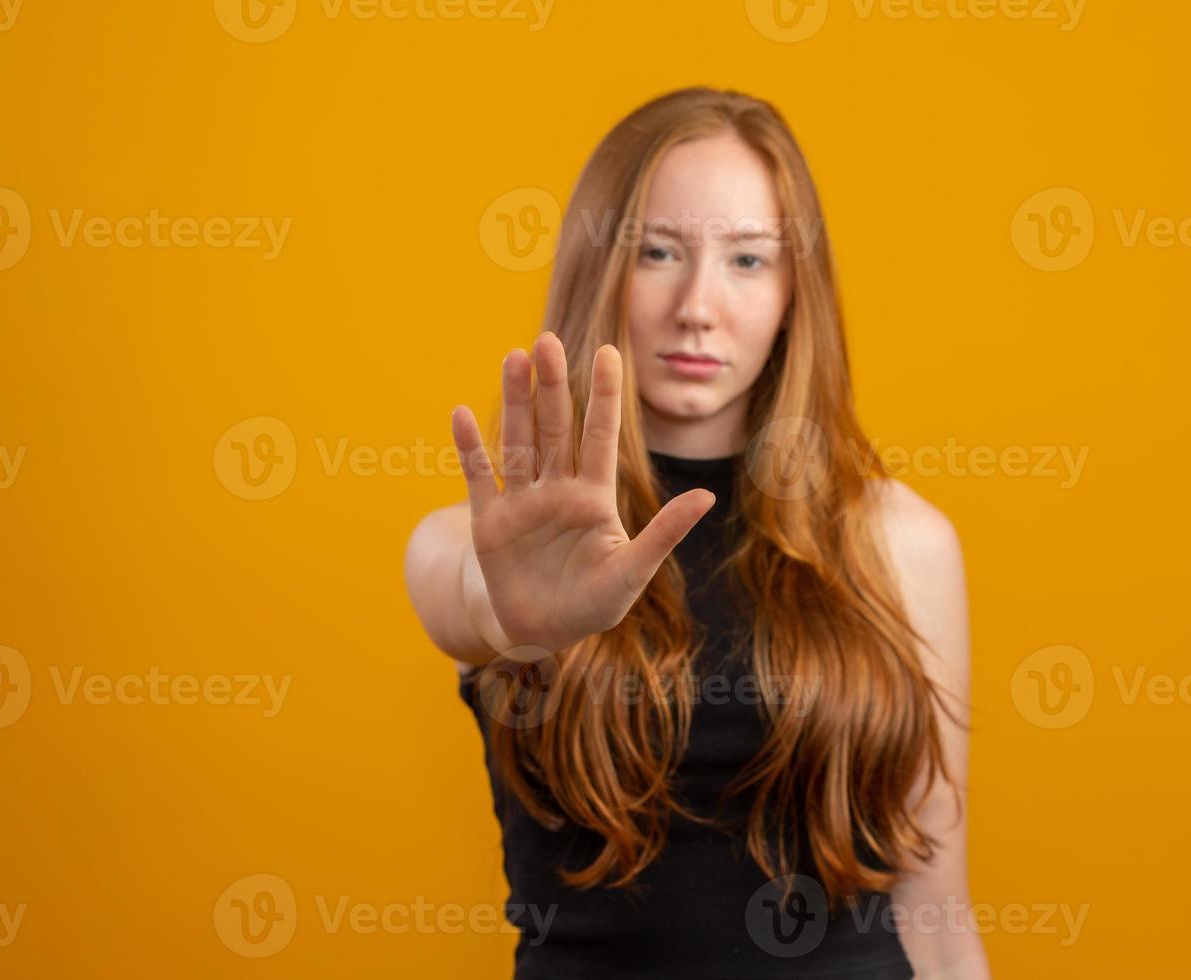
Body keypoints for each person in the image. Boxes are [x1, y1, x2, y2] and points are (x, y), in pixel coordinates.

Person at [404, 86, 990, 978]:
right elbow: (475, 607)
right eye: (657, 252)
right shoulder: (472, 546)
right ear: (597, 271)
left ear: (798, 292)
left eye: (749, 261)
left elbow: (939, 914)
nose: (697, 307)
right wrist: (525, 618)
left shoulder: (903, 542)